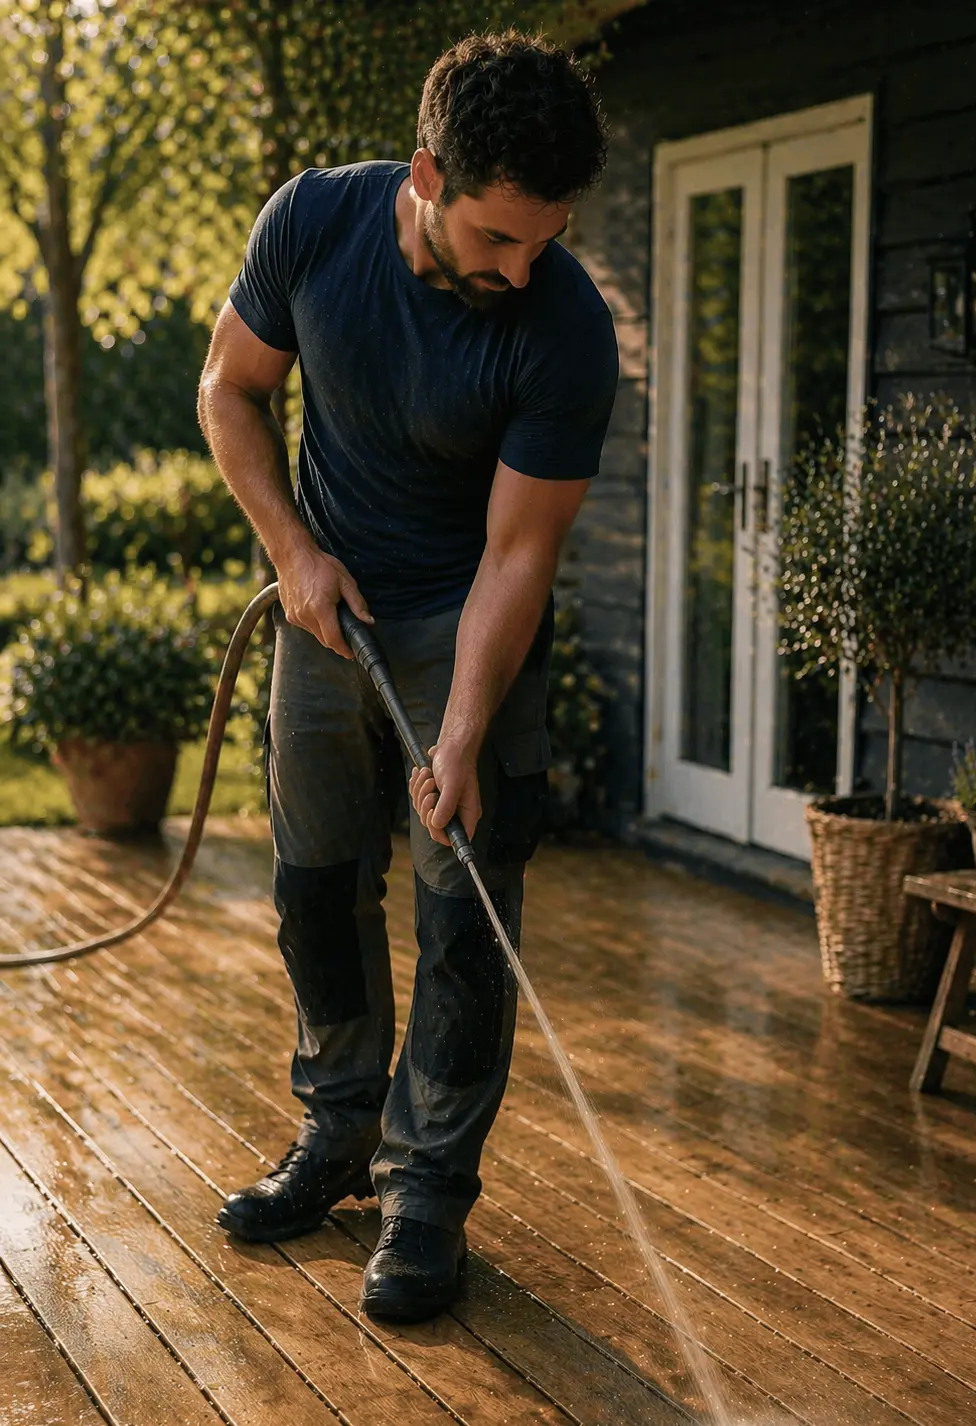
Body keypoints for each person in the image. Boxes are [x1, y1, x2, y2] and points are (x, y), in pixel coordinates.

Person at [197, 29, 618, 1323]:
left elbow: (518, 552)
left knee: (461, 916)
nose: (521, 266)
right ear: (428, 175)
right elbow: (229, 390)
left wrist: (464, 728)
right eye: (498, 237)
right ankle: (336, 1133)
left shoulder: (563, 326)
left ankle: (426, 1190)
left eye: (544, 239)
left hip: (469, 623)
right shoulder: (314, 224)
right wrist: (295, 553)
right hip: (324, 609)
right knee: (316, 887)